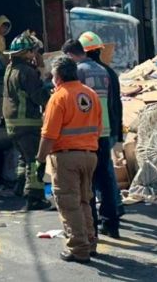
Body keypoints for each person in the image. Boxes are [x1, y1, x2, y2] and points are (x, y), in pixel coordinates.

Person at [37, 56, 102, 264]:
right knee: (85, 201)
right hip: (90, 155)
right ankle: (90, 242)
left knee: (69, 203)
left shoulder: (59, 97)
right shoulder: (90, 94)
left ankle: (78, 248)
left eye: (53, 75)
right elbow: (98, 128)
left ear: (58, 76)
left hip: (66, 158)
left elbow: (49, 135)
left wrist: (40, 158)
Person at [63, 36, 122, 239]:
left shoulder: (78, 72)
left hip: (87, 134)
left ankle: (92, 227)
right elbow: (114, 104)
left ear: (71, 55)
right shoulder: (104, 70)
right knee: (106, 179)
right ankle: (111, 223)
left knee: (86, 183)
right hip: (104, 131)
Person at [3, 31, 50, 211]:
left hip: (12, 123)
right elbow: (38, 96)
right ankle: (35, 197)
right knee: (35, 160)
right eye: (34, 51)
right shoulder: (27, 72)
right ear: (28, 53)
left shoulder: (10, 69)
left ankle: (19, 187)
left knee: (24, 157)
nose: (36, 54)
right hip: (27, 122)